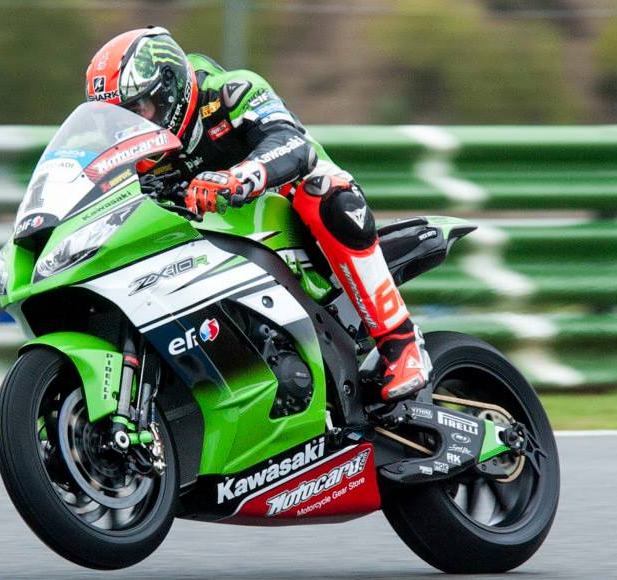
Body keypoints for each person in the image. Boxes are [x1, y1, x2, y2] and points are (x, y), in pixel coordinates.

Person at [85, 26, 430, 401]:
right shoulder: (134, 153)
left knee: (325, 195)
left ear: (169, 90)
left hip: (289, 216)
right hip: (208, 242)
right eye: (117, 120)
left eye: (137, 110)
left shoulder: (230, 91)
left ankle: (401, 345)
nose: (131, 127)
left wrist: (238, 177)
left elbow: (292, 144)